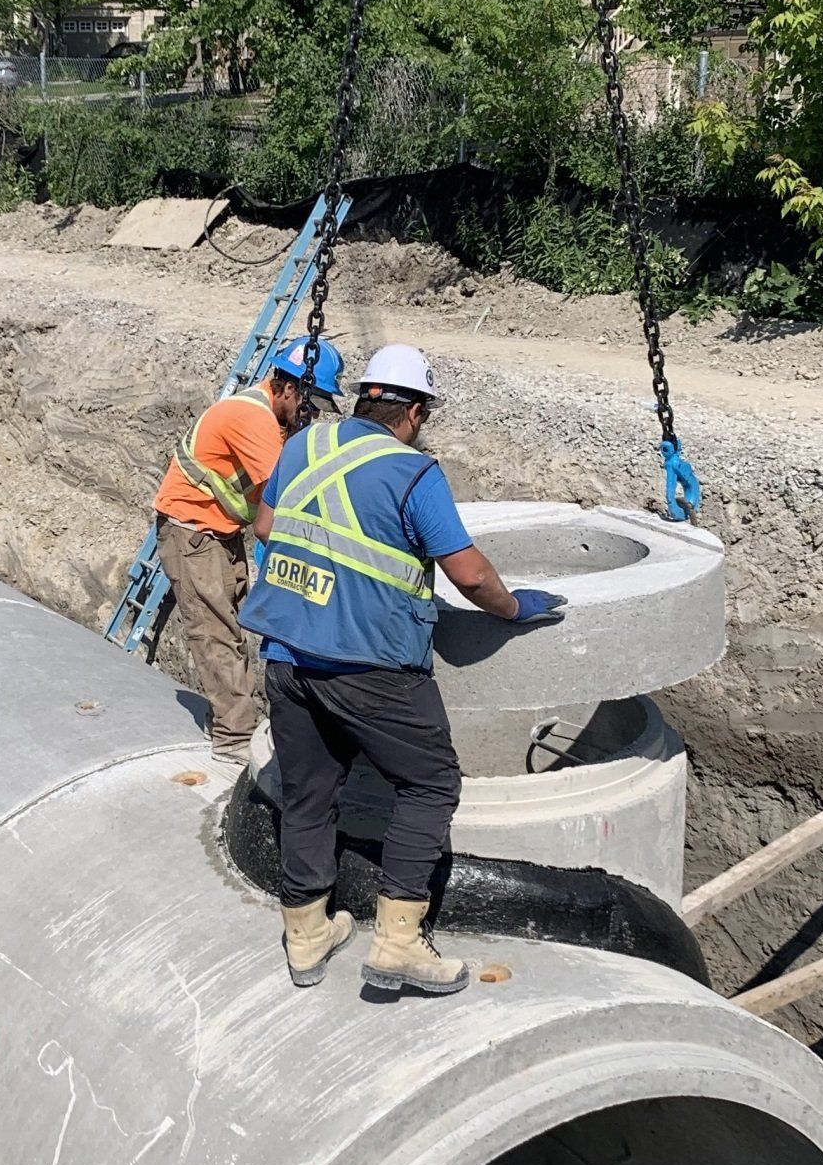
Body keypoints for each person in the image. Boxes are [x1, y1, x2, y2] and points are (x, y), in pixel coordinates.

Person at [240, 343, 561, 993]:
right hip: (371, 666)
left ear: (364, 398)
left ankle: (306, 938)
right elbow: (467, 573)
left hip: (286, 651)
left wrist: (321, 570)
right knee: (430, 783)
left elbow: (266, 521)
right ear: (413, 411)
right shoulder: (414, 473)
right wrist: (512, 606)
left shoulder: (305, 446)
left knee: (308, 792)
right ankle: (399, 942)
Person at [152, 337, 346, 761]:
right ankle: (235, 738)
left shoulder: (266, 416)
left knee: (240, 625)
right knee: (216, 632)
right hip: (193, 534)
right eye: (309, 404)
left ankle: (247, 721)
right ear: (290, 387)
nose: (310, 416)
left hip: (218, 532)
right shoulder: (251, 419)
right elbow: (290, 493)